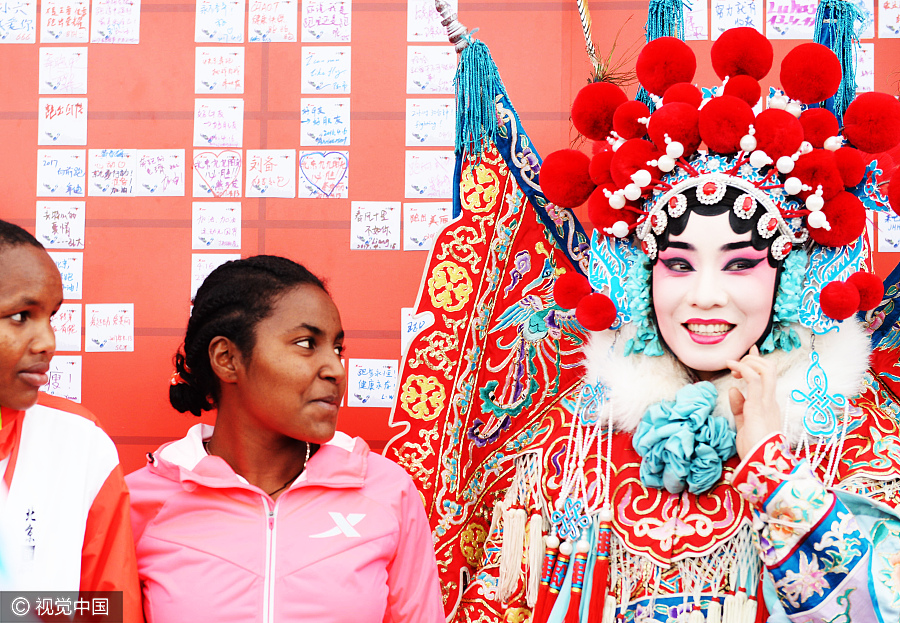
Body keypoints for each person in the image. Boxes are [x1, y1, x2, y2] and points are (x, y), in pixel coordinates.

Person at [385, 25, 900, 623]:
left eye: (739, 265)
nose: (705, 297)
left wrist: (770, 467)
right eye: (678, 265)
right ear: (640, 277)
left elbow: (879, 605)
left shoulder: (856, 443)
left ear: (788, 281)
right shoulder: (571, 444)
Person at [126, 255, 444, 622]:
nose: (336, 369)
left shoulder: (387, 491)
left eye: (338, 348)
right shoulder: (138, 502)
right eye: (308, 343)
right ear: (228, 358)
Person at [0, 219, 141, 619]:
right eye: (20, 316)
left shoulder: (79, 443)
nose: (48, 342)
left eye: (51, 317)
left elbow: (107, 608)